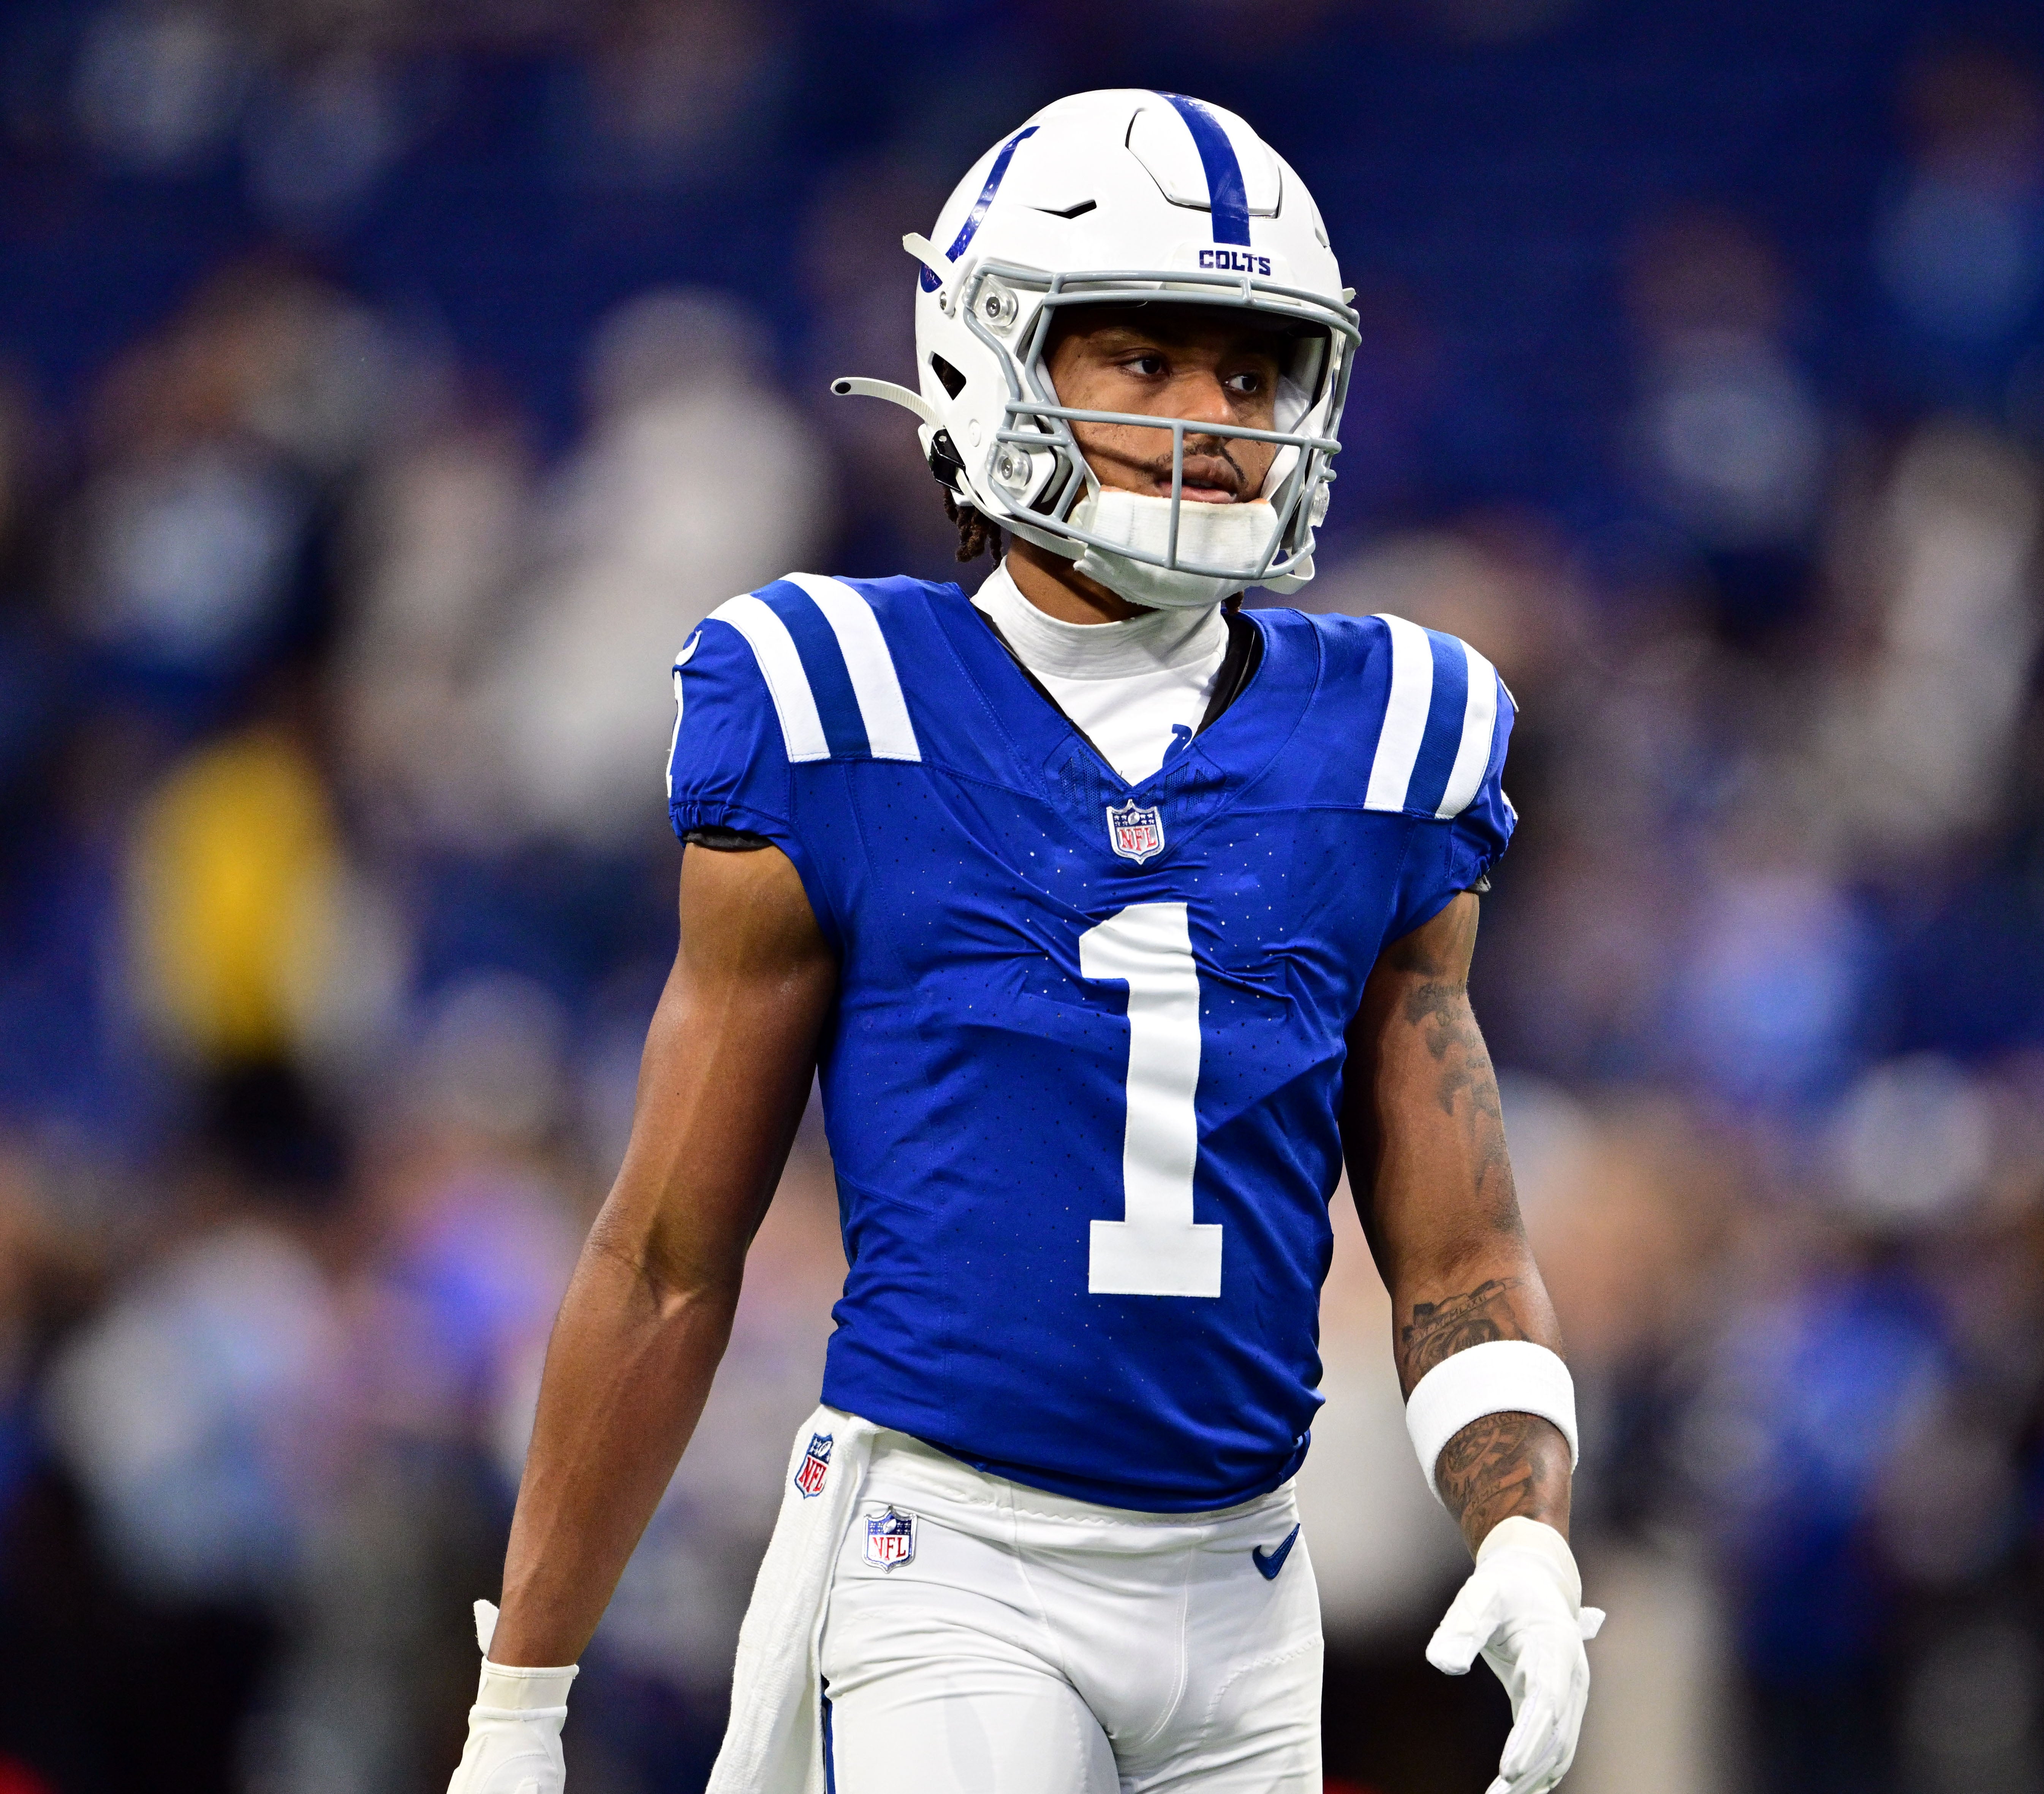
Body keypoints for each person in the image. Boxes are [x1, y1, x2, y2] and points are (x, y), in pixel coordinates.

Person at [445, 90, 1600, 1794]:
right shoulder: (838, 701)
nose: (1215, 419)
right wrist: (521, 1699)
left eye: (1254, 370)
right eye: (1144, 360)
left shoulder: (1392, 733)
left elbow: (1456, 1250)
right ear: (991, 362)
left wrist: (1519, 1527)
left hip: (1247, 1581)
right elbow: (669, 1253)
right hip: (951, 1561)